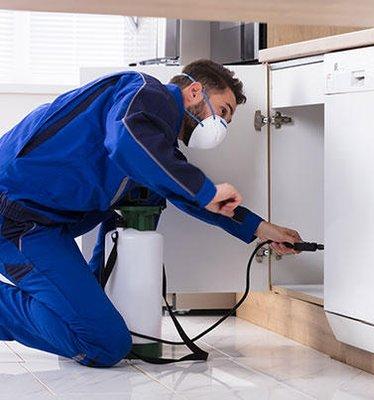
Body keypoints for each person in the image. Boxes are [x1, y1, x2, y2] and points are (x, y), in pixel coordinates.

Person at [0, 59, 302, 367]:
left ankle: (89, 299)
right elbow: (126, 141)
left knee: (148, 199)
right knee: (104, 344)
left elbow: (190, 199)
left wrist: (261, 229)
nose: (221, 126)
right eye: (223, 111)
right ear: (195, 92)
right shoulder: (145, 92)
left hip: (42, 224)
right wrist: (206, 190)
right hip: (14, 218)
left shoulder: (157, 151)